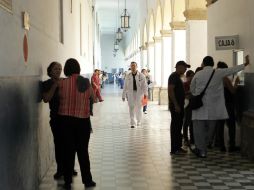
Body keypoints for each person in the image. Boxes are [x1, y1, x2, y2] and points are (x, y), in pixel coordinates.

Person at [190, 55, 250, 158]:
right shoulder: (219, 72)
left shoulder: (198, 74)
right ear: (213, 64)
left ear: (203, 64)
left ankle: (201, 150)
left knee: (198, 130)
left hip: (199, 108)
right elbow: (233, 69)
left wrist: (197, 94)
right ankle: (205, 145)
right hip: (214, 109)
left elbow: (192, 88)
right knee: (211, 131)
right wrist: (245, 64)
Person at [58, 58, 96, 189]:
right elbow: (94, 98)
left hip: (66, 121)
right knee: (83, 151)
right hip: (82, 121)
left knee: (68, 151)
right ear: (78, 68)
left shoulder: (62, 83)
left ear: (66, 69)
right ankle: (87, 180)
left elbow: (57, 98)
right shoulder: (85, 82)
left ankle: (67, 181)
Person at [42, 62, 77, 180]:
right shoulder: (46, 84)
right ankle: (60, 169)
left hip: (68, 117)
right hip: (56, 119)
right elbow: (46, 99)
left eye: (60, 69)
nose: (58, 70)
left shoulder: (65, 82)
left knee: (70, 145)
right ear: (50, 70)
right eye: (56, 68)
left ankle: (70, 168)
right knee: (59, 145)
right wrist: (54, 86)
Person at [215, 61, 241, 152]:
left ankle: (221, 145)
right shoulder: (225, 78)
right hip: (227, 104)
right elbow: (233, 91)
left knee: (220, 125)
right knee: (231, 124)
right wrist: (236, 83)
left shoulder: (215, 78)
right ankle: (232, 146)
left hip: (218, 104)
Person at [168, 61, 190, 155]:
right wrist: (176, 104)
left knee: (178, 126)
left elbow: (177, 91)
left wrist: (185, 94)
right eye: (185, 67)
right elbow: (171, 90)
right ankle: (174, 149)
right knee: (176, 127)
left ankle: (178, 147)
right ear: (179, 67)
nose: (186, 70)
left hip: (179, 105)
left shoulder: (177, 77)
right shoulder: (173, 76)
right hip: (176, 106)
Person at [122, 62, 148, 128]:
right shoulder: (128, 75)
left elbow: (145, 86)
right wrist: (123, 95)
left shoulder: (141, 75)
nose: (133, 67)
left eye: (134, 66)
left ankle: (138, 121)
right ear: (130, 67)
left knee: (139, 108)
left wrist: (146, 95)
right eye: (131, 66)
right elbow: (125, 86)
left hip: (139, 94)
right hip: (130, 93)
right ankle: (132, 123)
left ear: (136, 66)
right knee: (131, 108)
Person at [183, 70, 195, 146]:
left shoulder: (194, 84)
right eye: (191, 76)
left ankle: (192, 139)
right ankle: (186, 139)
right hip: (187, 104)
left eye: (193, 76)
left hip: (193, 104)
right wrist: (190, 92)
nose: (192, 77)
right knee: (186, 122)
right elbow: (183, 94)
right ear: (187, 77)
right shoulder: (185, 84)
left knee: (192, 122)